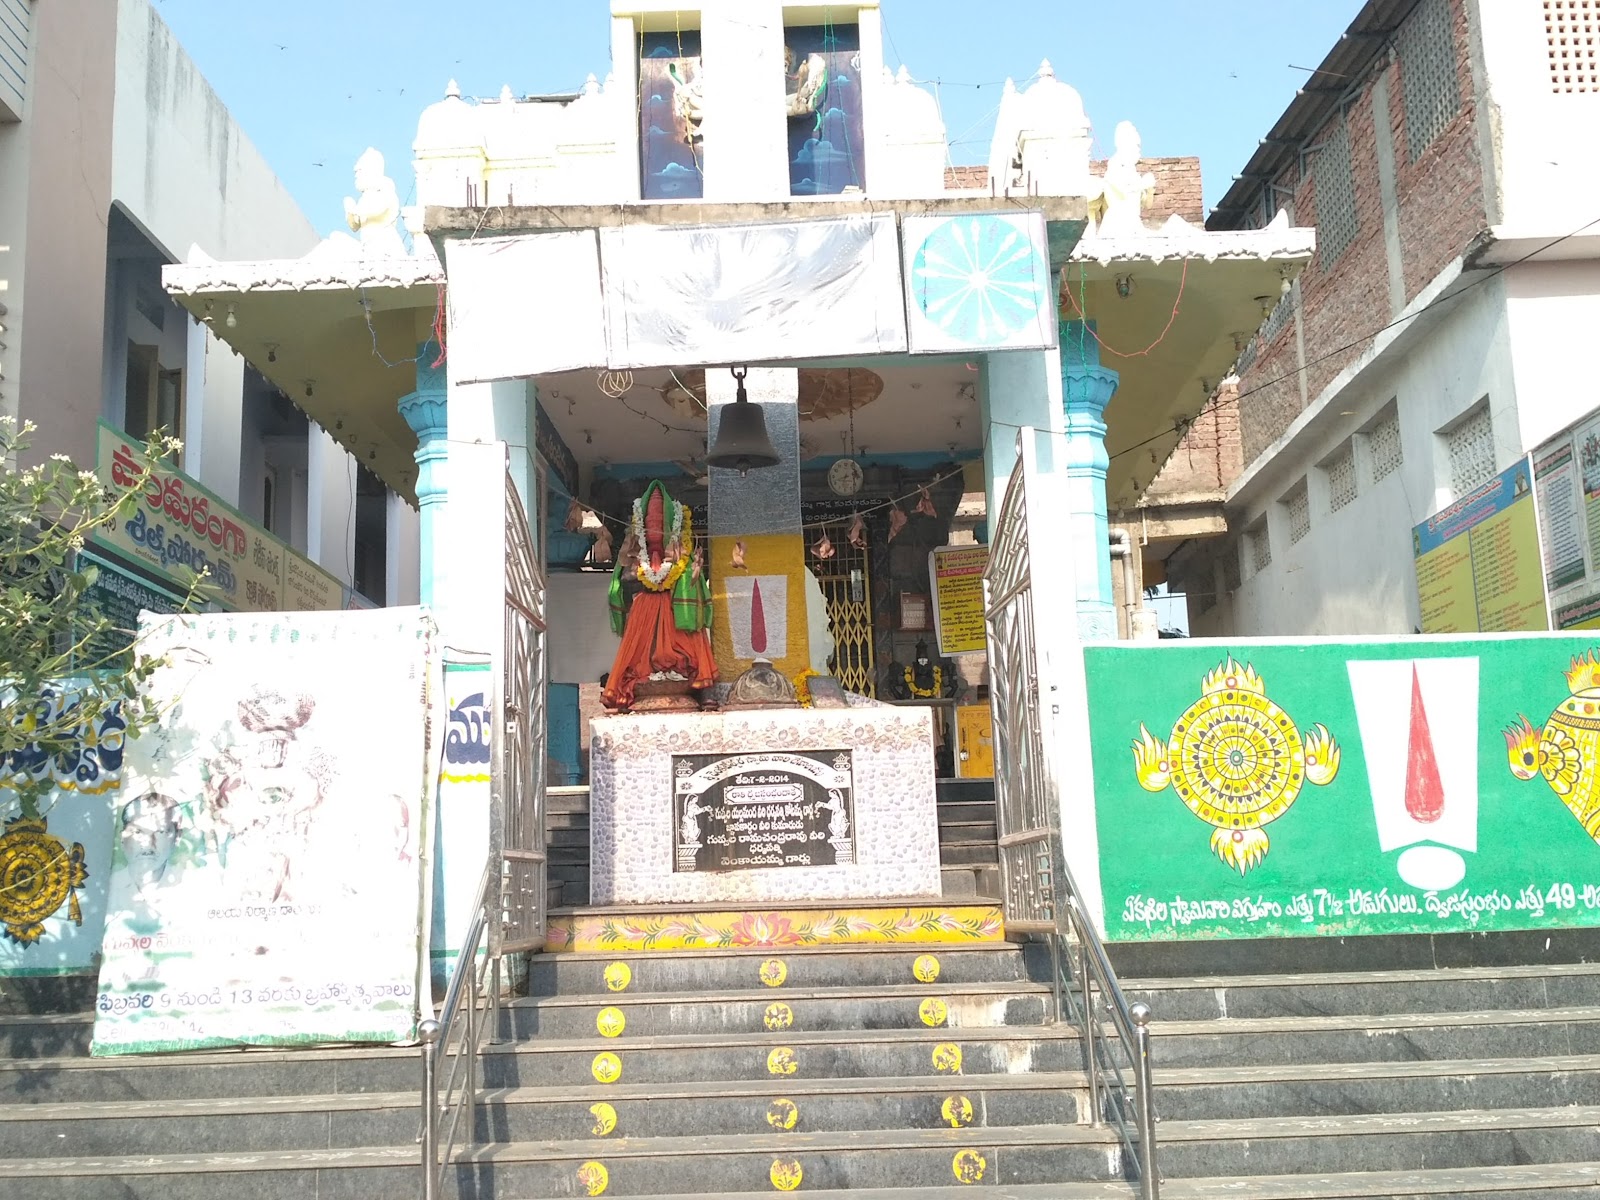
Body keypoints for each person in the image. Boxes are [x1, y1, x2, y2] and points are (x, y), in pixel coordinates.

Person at [602, 480, 717, 711]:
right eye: (650, 522)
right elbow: (623, 582)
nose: (655, 527)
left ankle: (703, 693)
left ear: (672, 524)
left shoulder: (681, 550)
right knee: (637, 655)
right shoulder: (634, 549)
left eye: (660, 522)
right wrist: (641, 571)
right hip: (645, 612)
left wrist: (676, 574)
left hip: (676, 611)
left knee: (691, 645)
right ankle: (632, 693)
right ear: (641, 523)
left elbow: (692, 582)